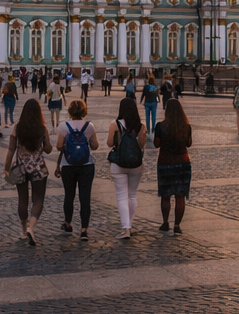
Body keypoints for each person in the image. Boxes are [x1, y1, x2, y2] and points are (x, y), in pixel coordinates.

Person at [4, 99, 53, 245]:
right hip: (38, 168)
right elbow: (49, 149)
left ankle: (24, 231)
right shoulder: (42, 128)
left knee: (22, 199)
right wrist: (42, 146)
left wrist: (6, 168)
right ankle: (32, 227)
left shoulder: (17, 127)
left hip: (21, 168)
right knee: (38, 199)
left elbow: (11, 149)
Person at [54, 99, 99, 239]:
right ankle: (84, 229)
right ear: (84, 111)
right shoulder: (89, 126)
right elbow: (95, 146)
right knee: (85, 197)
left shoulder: (63, 126)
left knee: (69, 195)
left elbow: (59, 146)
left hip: (68, 165)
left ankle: (68, 223)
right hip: (86, 165)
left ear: (70, 112)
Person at [107, 97, 147, 239]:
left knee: (121, 195)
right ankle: (129, 224)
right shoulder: (141, 126)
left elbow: (109, 143)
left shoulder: (115, 124)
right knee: (132, 194)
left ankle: (126, 229)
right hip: (136, 164)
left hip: (119, 164)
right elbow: (142, 145)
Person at [154, 98, 193, 234]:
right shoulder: (186, 127)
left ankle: (165, 223)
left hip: (165, 163)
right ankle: (177, 225)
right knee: (180, 196)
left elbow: (156, 144)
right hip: (183, 163)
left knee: (165, 195)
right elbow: (188, 143)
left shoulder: (160, 126)